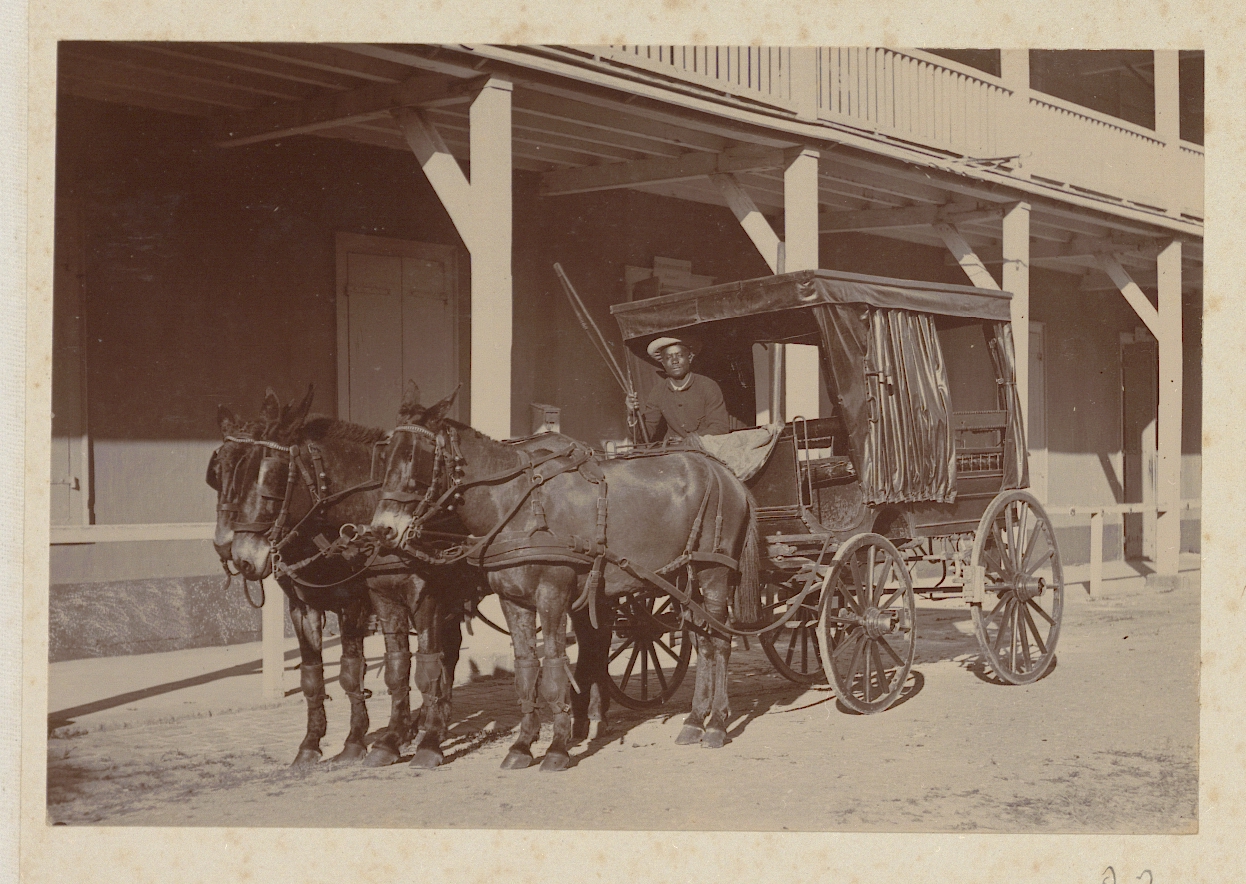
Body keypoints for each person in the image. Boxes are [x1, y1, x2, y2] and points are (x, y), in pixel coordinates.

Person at [626, 335, 730, 441]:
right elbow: (645, 436)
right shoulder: (658, 391)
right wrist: (632, 414)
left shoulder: (707, 385)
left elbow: (720, 428)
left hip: (706, 451)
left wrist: (689, 441)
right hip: (675, 453)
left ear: (690, 358)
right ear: (663, 363)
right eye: (668, 357)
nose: (674, 361)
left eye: (679, 355)